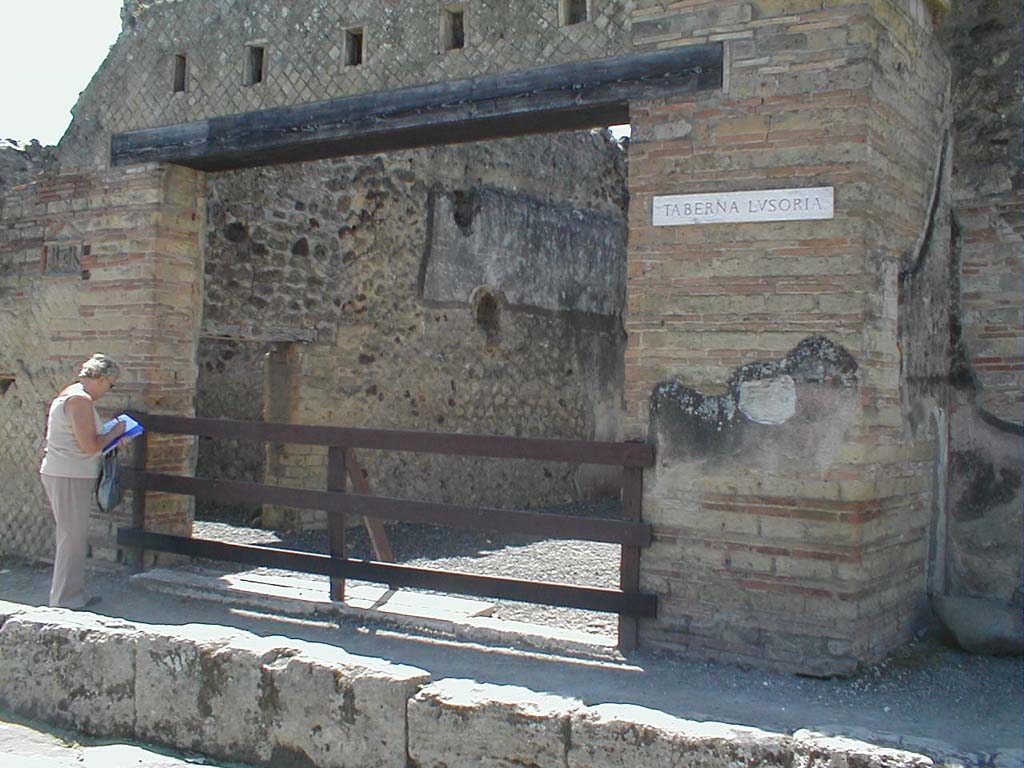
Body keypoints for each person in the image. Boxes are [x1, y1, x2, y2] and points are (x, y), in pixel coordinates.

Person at [39, 354, 129, 609]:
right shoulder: (79, 400)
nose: (109, 390)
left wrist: (110, 438)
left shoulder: (73, 395)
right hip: (69, 474)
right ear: (100, 378)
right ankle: (66, 600)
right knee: (71, 537)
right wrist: (116, 432)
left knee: (73, 535)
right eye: (110, 384)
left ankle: (71, 595)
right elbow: (89, 446)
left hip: (68, 472)